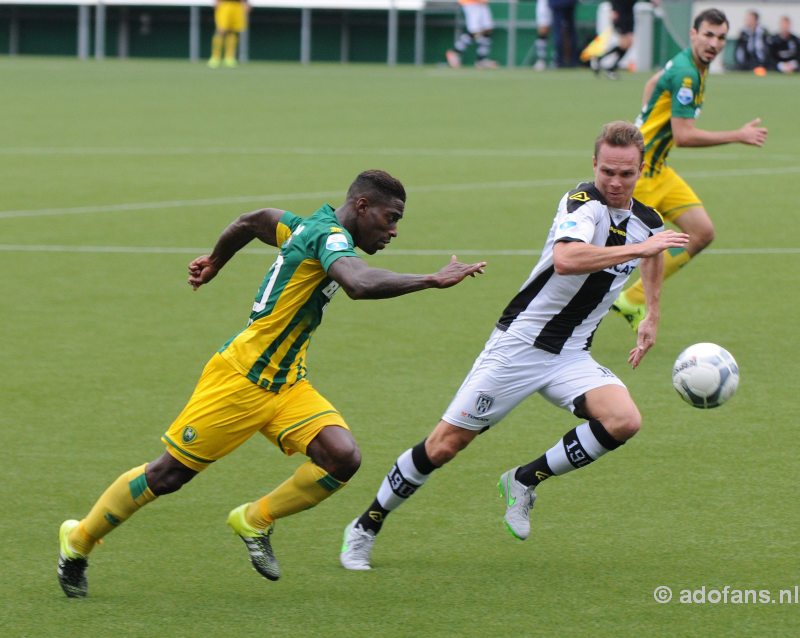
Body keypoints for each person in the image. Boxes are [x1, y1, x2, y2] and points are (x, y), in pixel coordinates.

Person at [56, 170, 487, 598]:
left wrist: (214, 261)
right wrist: (430, 280)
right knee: (168, 475)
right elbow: (358, 282)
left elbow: (253, 220)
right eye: (389, 218)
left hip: (287, 383)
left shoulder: (304, 225)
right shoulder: (329, 237)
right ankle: (78, 541)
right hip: (240, 380)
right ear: (361, 206)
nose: (392, 230)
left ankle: (254, 519)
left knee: (341, 458)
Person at [340, 122, 691, 571]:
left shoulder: (648, 223)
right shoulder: (581, 203)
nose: (616, 183)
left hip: (571, 355)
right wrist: (640, 251)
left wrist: (652, 315)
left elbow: (655, 251)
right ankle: (366, 525)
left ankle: (524, 481)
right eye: (608, 172)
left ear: (642, 170)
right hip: (519, 347)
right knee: (445, 445)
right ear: (594, 165)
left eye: (626, 174)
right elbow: (567, 259)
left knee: (623, 420)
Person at [611, 8, 768, 330]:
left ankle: (631, 301)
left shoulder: (689, 62)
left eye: (721, 37)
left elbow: (655, 81)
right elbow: (684, 135)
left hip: (659, 169)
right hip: (641, 177)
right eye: (708, 35)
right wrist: (738, 135)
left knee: (702, 232)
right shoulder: (688, 73)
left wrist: (646, 115)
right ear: (694, 34)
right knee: (622, 256)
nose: (714, 43)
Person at [590, 0, 638, 80]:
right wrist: (614, 10)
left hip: (629, 14)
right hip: (620, 14)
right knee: (626, 42)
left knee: (627, 43)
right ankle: (610, 67)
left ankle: (600, 59)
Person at [446, 0, 498, 69]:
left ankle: (481, 60)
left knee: (487, 30)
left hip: (482, 4)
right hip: (470, 3)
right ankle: (455, 52)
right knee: (474, 31)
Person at [208, 0, 250, 68]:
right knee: (221, 30)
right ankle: (215, 57)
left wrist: (245, 3)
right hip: (224, 4)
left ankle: (229, 57)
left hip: (237, 5)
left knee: (233, 31)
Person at [549, 0, 579, 68]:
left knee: (558, 31)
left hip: (557, 3)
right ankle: (573, 60)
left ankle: (559, 60)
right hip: (569, 2)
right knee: (571, 31)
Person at [532, 0, 553, 71]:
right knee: (543, 28)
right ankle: (541, 60)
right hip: (544, 2)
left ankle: (558, 59)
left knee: (562, 29)